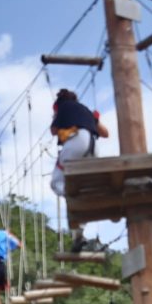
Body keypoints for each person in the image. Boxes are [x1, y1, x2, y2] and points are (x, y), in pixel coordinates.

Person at [48, 89, 110, 253]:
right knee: (84, 189)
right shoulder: (86, 111)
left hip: (77, 142)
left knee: (56, 181)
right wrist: (95, 119)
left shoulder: (62, 107)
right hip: (93, 147)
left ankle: (72, 195)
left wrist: (57, 117)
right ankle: (78, 236)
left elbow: (53, 130)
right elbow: (105, 133)